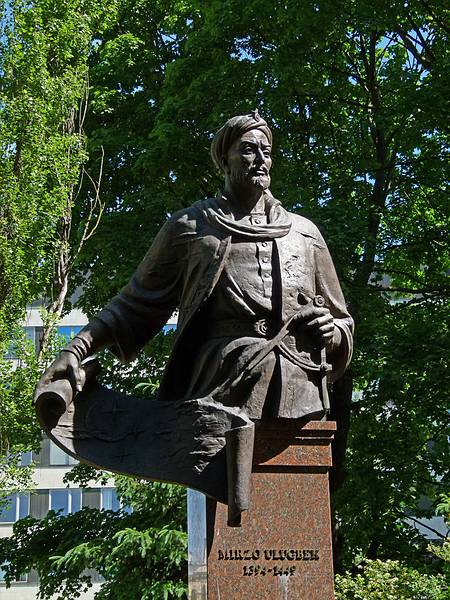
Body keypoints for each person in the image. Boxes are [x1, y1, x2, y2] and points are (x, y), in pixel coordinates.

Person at [36, 111, 353, 423]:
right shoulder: (190, 227)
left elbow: (342, 322)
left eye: (266, 152)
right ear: (224, 160)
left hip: (299, 387)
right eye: (248, 149)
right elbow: (133, 304)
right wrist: (76, 350)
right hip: (220, 385)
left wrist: (333, 333)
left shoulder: (303, 233)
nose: (260, 158)